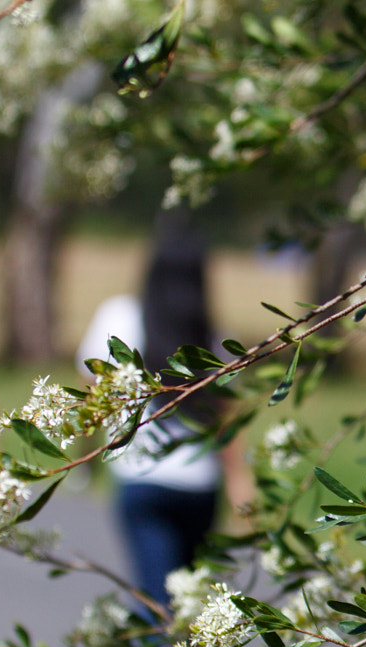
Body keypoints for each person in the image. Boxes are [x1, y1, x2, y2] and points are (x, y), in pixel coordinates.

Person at [76, 214, 253, 616]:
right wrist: (240, 481)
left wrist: (87, 457)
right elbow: (226, 419)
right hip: (200, 485)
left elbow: (91, 398)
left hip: (142, 481)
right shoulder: (212, 338)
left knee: (156, 598)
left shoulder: (119, 318)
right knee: (188, 597)